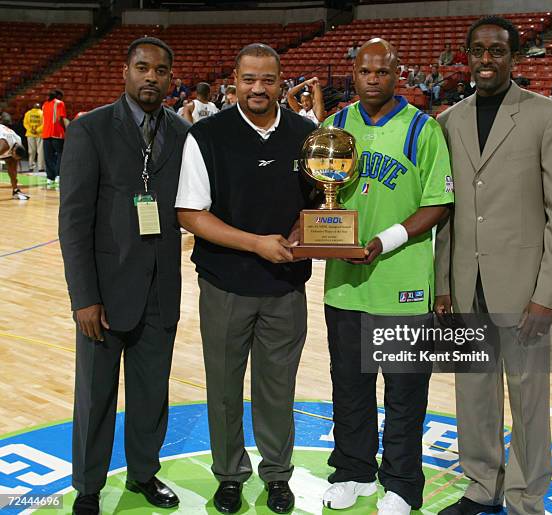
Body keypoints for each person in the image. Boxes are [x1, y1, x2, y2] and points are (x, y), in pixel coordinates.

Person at [435, 16, 552, 515]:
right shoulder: (449, 120)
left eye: (496, 50)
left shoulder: (547, 115)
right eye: (477, 51)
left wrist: (548, 296)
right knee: (473, 393)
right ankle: (480, 485)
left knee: (528, 401)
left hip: (523, 290)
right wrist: (442, 286)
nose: (486, 60)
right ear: (467, 56)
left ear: (514, 57)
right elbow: (447, 211)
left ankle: (526, 497)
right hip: (463, 283)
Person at [175, 43, 316, 515]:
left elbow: (321, 202)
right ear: (233, 80)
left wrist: (306, 227)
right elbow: (191, 214)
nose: (258, 88)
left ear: (281, 81)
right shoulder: (206, 135)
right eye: (249, 79)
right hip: (225, 284)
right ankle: (230, 475)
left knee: (279, 389)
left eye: (268, 80)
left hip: (286, 286)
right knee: (224, 387)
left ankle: (277, 475)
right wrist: (255, 243)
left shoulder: (306, 133)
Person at [319, 38, 453, 515]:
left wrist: (384, 241)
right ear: (352, 74)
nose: (372, 78)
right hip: (344, 286)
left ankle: (400, 484)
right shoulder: (333, 125)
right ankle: (353, 472)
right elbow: (320, 197)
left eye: (382, 71)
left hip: (403, 285)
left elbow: (438, 202)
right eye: (364, 71)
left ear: (399, 74)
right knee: (349, 387)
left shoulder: (423, 128)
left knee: (404, 393)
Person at [58, 36, 190, 515]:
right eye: (142, 67)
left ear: (171, 77)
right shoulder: (89, 129)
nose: (150, 77)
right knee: (95, 397)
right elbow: (73, 221)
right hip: (105, 294)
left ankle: (143, 475)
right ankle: (88, 487)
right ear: (125, 72)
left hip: (161, 289)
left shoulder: (180, 132)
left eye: (160, 70)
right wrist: (83, 297)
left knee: (152, 393)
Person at [42, 89, 68, 188]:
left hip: (45, 134)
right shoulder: (60, 103)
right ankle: (58, 175)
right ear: (59, 96)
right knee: (60, 155)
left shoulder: (44, 105)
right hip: (57, 133)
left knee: (48, 157)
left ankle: (50, 177)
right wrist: (66, 129)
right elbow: (61, 119)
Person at [0, 124, 30, 200]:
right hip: (3, 140)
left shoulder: (19, 140)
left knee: (12, 166)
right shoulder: (4, 145)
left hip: (5, 137)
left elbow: (13, 169)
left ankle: (15, 191)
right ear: (13, 152)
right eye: (15, 157)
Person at [23, 102, 44, 174]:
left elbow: (25, 123)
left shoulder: (28, 113)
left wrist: (30, 130)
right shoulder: (42, 113)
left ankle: (31, 166)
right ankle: (41, 168)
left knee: (31, 151)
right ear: (40, 107)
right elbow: (44, 123)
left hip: (30, 134)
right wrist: (37, 130)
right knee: (40, 151)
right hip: (40, 134)